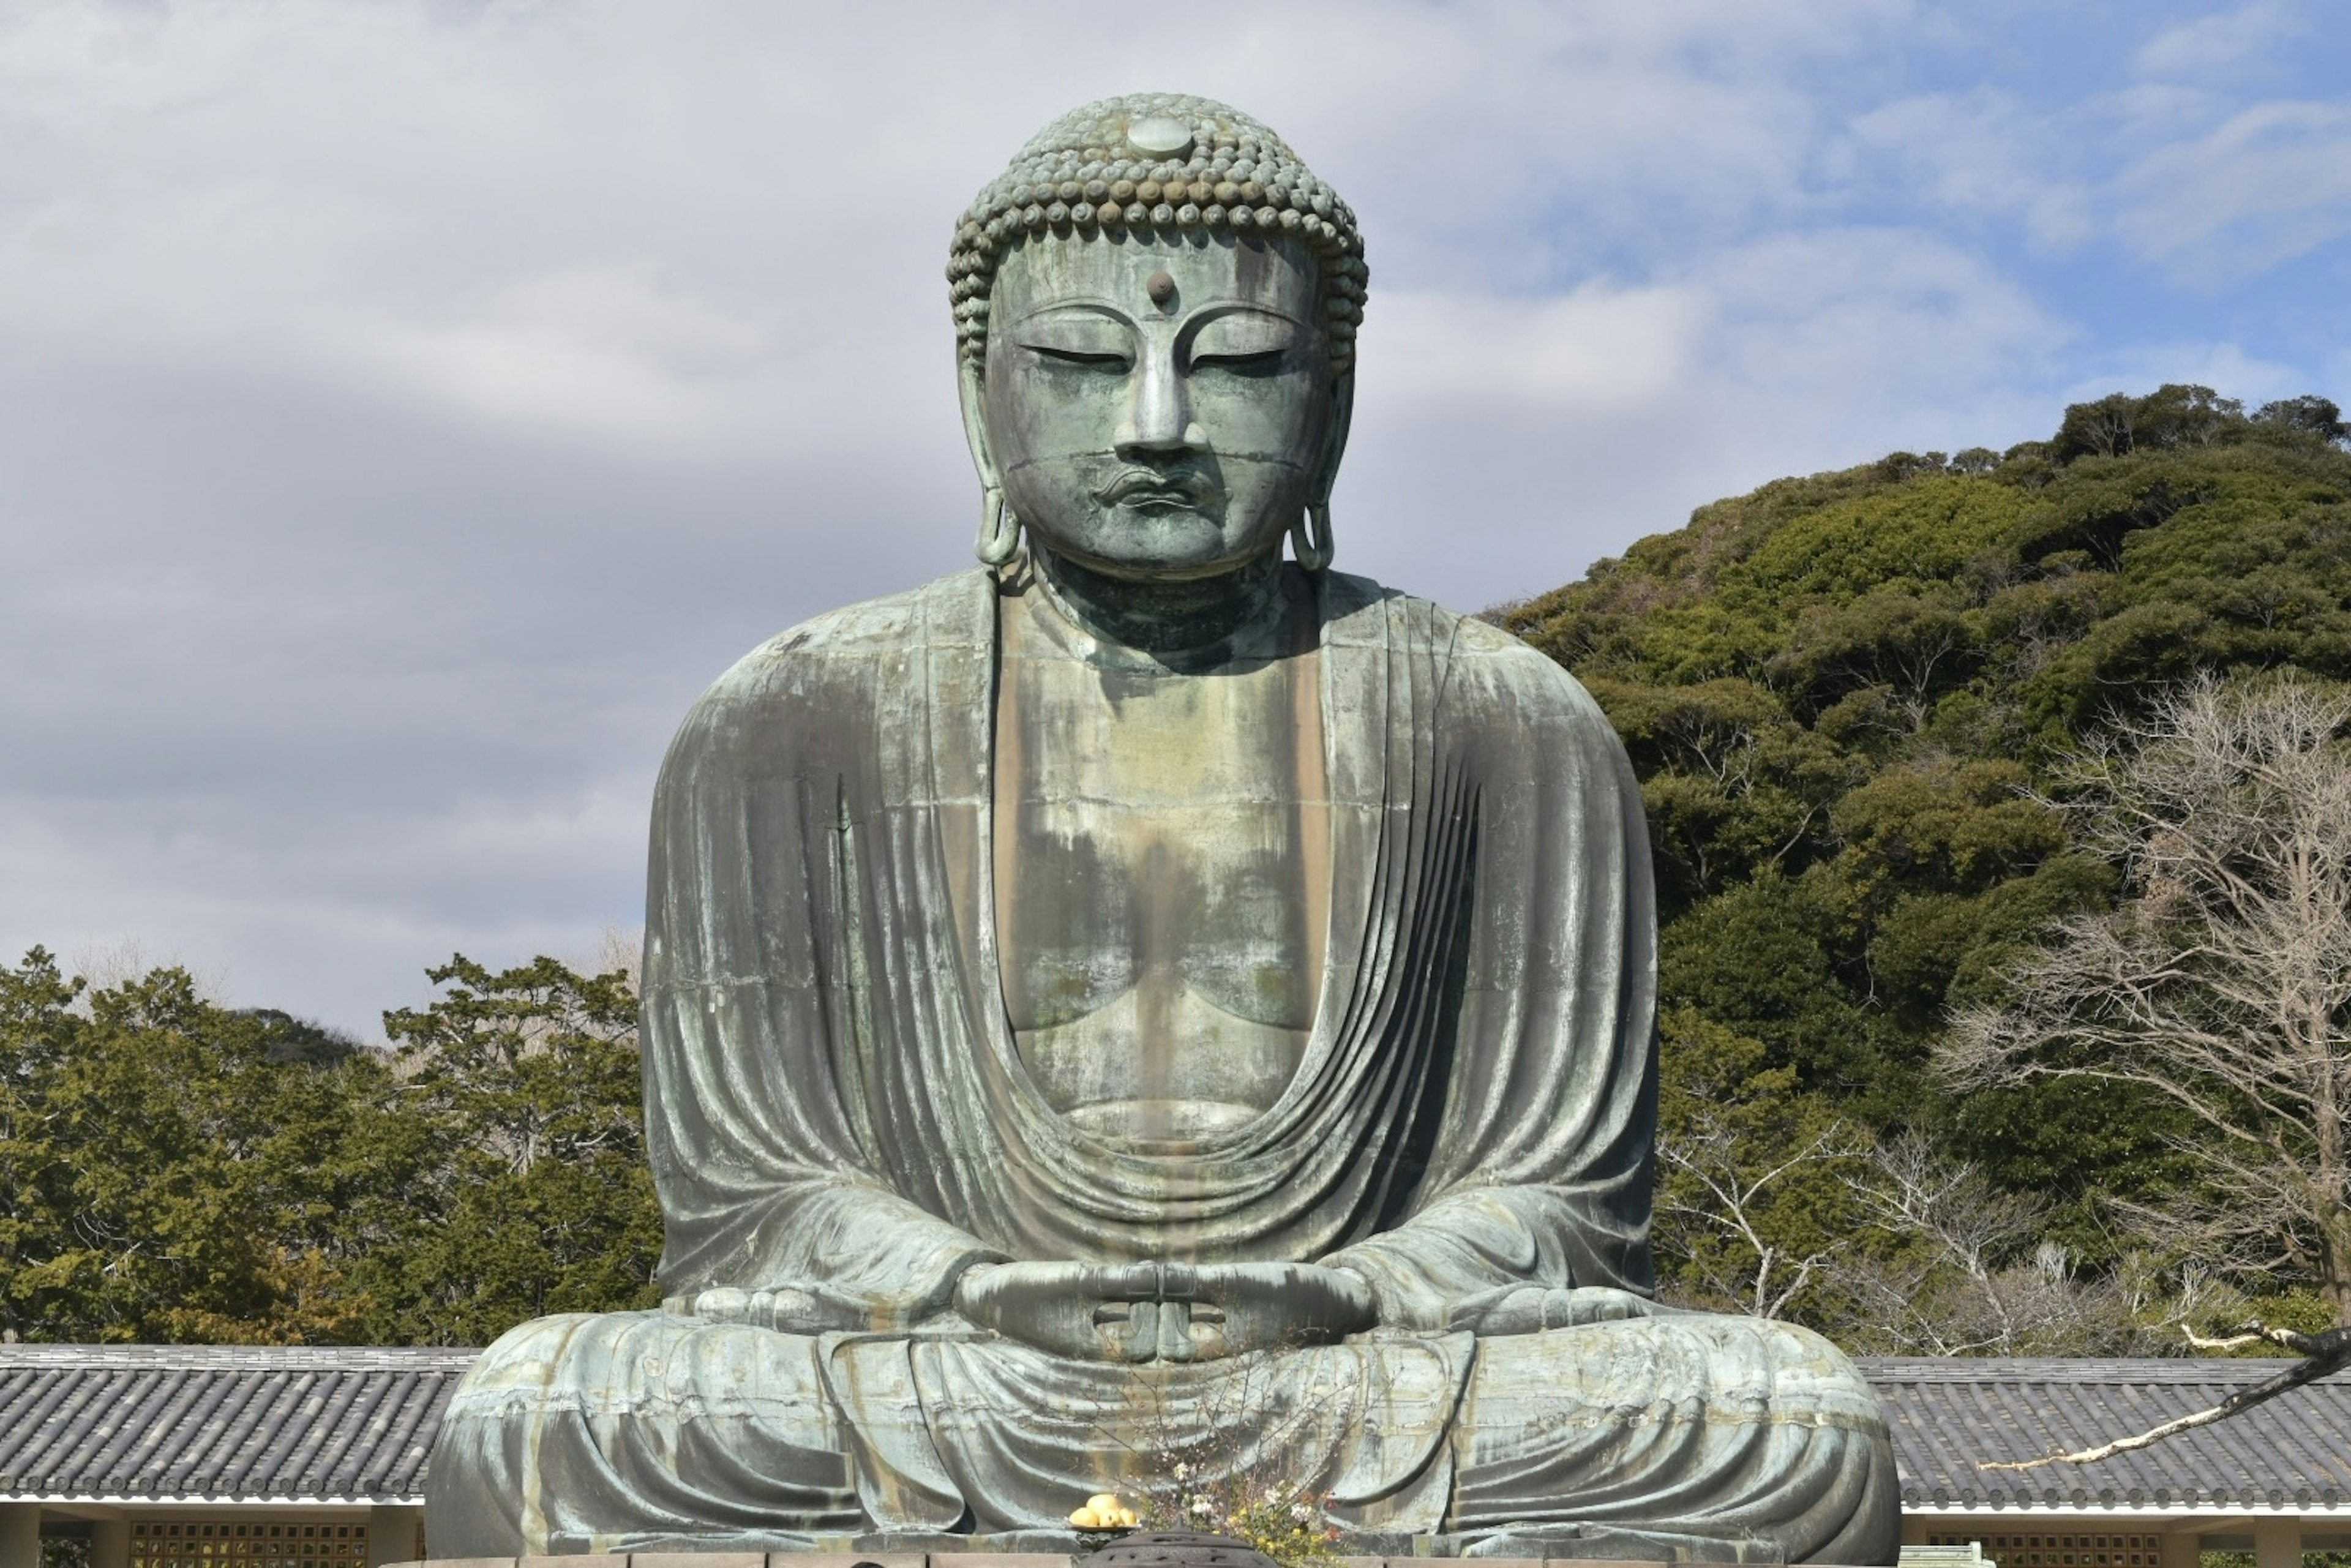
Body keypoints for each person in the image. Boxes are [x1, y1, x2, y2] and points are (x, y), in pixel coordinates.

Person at [426, 94, 1900, 1565]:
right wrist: (962, 1287)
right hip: (948, 1371)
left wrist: (1358, 1288)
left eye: (1241, 364)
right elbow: (757, 1201)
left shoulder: (1504, 721)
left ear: (1333, 396)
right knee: (540, 1415)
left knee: (1788, 1419)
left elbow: (1561, 1203)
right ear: (975, 387)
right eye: (1077, 359)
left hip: (1362, 1372)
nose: (1157, 425)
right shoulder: (792, 718)